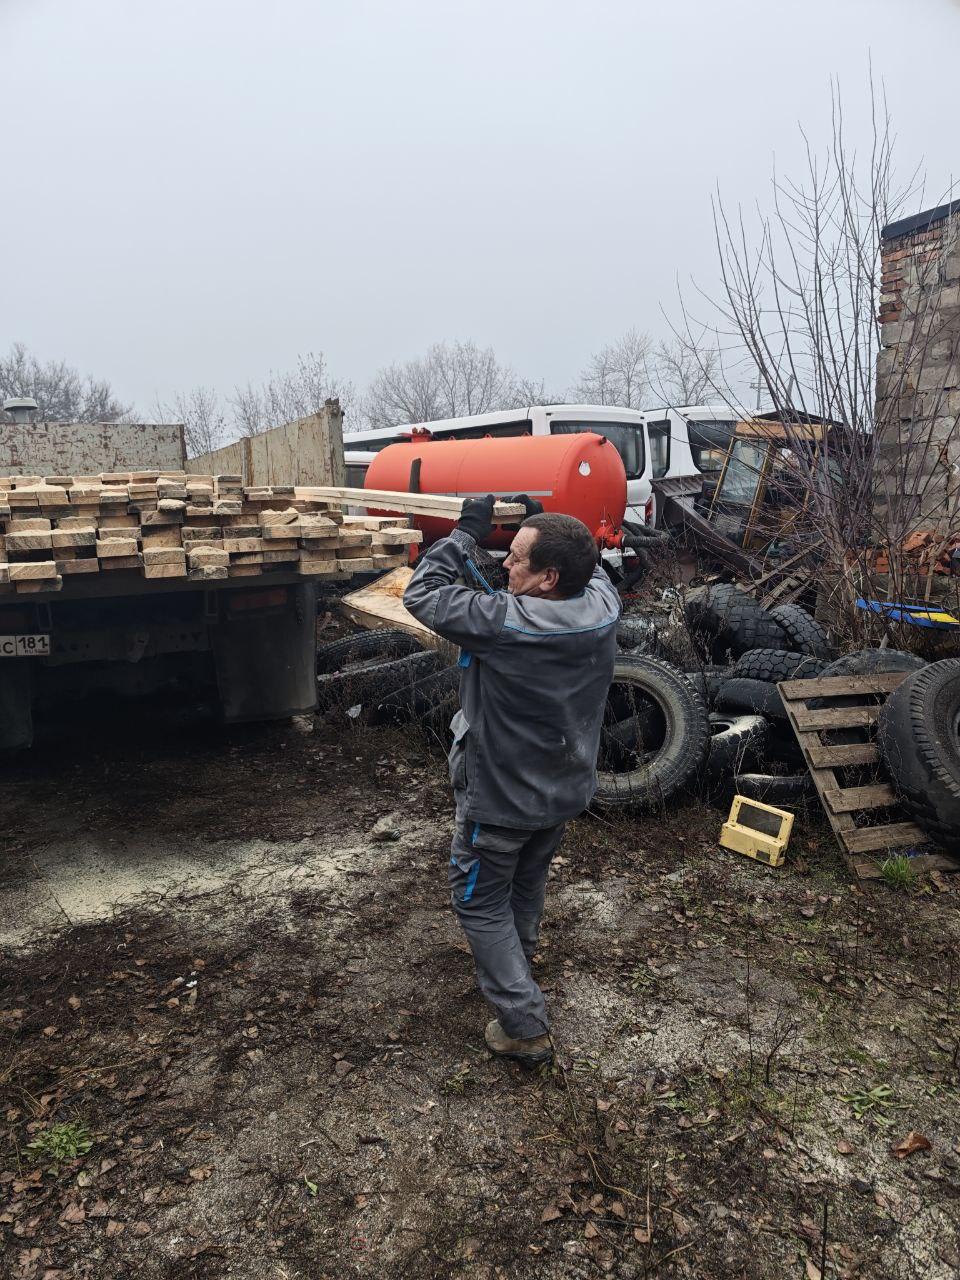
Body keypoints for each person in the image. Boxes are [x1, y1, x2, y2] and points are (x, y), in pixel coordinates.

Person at [403, 494, 621, 1065]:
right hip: (563, 789)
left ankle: (523, 1025)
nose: (506, 565)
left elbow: (421, 593)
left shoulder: (507, 624)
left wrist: (466, 533)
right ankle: (516, 965)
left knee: (477, 901)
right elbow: (589, 561)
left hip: (500, 799)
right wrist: (540, 519)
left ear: (548, 578)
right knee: (524, 883)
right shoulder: (601, 604)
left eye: (518, 557)